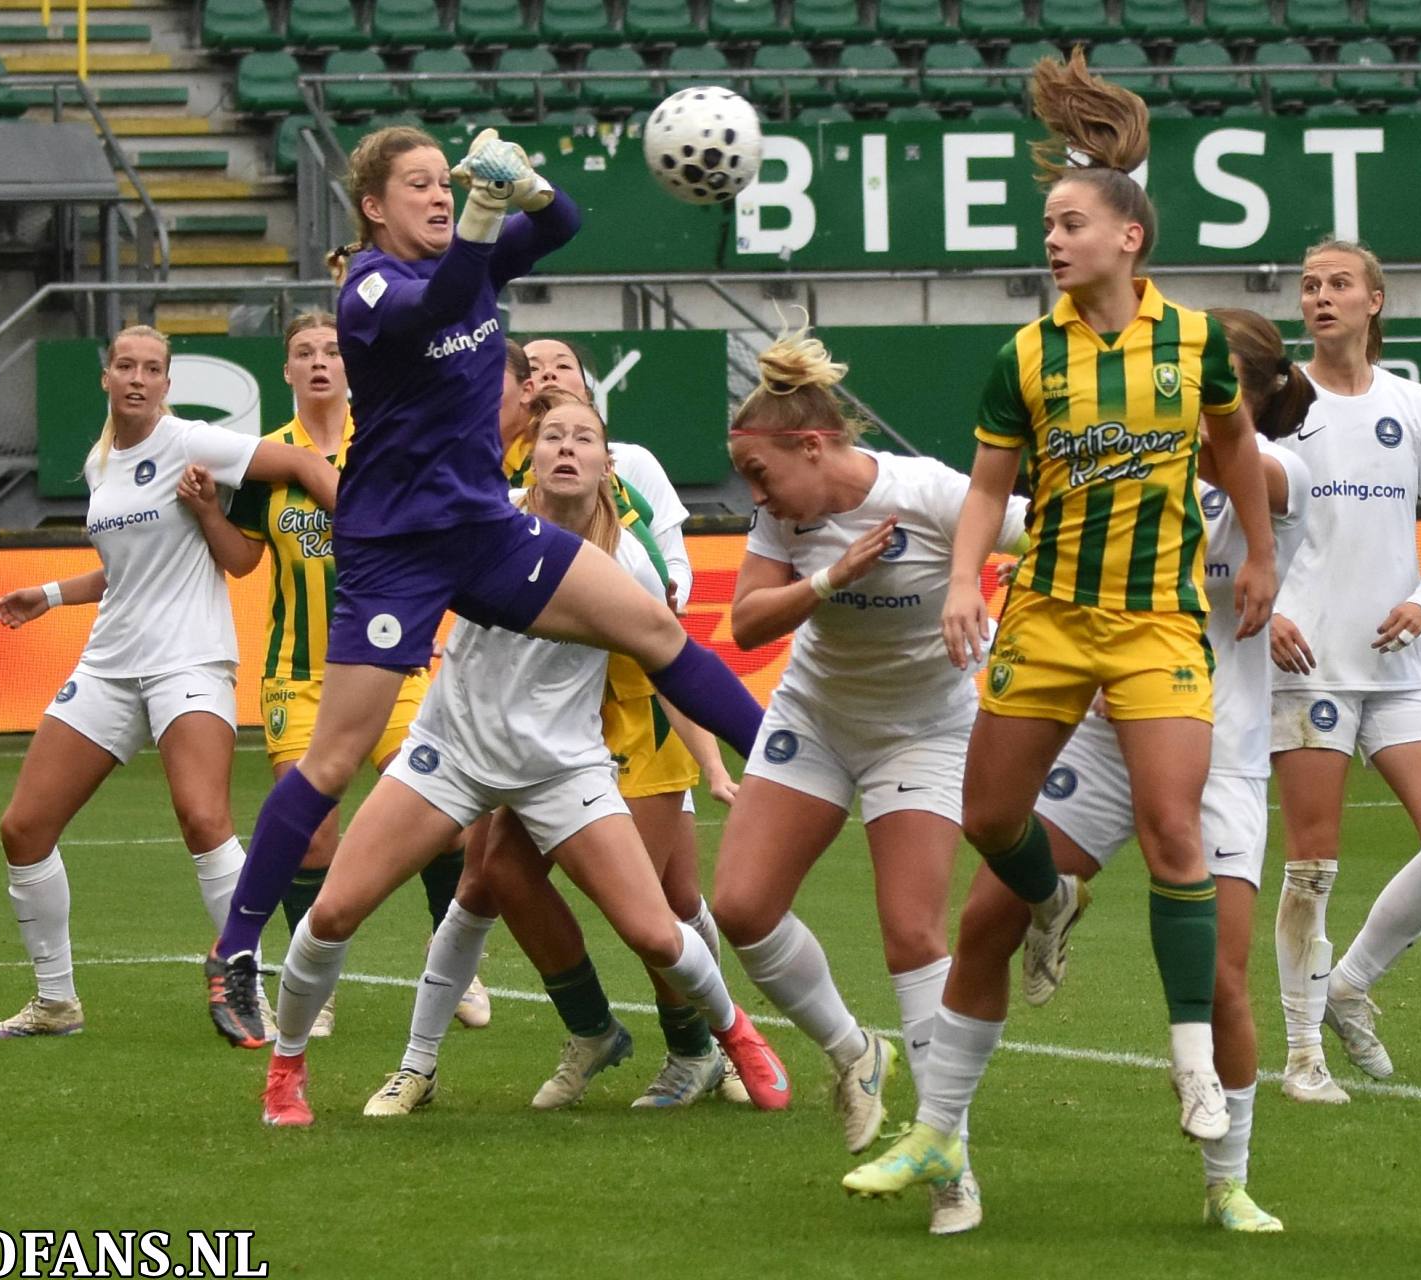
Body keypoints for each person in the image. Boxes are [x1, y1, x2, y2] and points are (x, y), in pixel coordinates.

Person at [204, 124, 764, 1048]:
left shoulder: (464, 258)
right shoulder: (371, 288)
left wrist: (530, 187)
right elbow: (450, 297)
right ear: (373, 208)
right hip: (392, 550)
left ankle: (787, 764)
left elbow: (567, 220)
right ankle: (234, 951)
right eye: (416, 186)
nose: (434, 195)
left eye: (443, 182)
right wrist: (481, 211)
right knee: (334, 760)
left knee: (653, 631)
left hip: (485, 530)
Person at [843, 49, 1278, 1198]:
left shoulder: (1194, 347)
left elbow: (1238, 454)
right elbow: (988, 487)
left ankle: (1195, 1078)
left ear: (1128, 235)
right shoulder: (1026, 356)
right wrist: (961, 579)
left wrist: (1266, 558)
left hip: (1154, 630)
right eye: (1047, 222)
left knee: (1178, 833)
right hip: (1046, 618)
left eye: (1071, 221)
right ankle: (1055, 899)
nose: (1053, 237)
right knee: (988, 820)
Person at [261, 394, 790, 1127]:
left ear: (609, 465)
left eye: (584, 439)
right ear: (531, 456)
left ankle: (735, 1034)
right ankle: (286, 1070)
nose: (567, 448)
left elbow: (677, 668)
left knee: (655, 930)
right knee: (333, 913)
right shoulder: (486, 518)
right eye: (552, 437)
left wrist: (735, 760)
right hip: (450, 752)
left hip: (563, 767)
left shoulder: (628, 562)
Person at [944, 309, 1314, 1234]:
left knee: (1223, 976)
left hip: (1214, 749)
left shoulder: (1280, 477)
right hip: (1105, 742)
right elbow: (1026, 514)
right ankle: (942, 1140)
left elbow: (1236, 461)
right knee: (986, 918)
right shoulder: (1116, 460)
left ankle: (1228, 1180)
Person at [708, 321, 1027, 1236]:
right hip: (815, 717)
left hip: (924, 730)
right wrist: (827, 581)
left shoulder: (926, 491)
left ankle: (949, 1166)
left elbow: (1036, 535)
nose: (753, 493)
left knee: (913, 932)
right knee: (740, 906)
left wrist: (984, 593)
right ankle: (854, 1053)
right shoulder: (788, 516)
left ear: (813, 445)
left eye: (761, 472)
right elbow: (746, 624)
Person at [0, 325, 337, 1040]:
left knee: (204, 819)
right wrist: (47, 595)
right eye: (126, 366)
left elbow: (296, 457)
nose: (138, 378)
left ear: (167, 385)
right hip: (110, 664)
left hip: (189, 660)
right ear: (106, 378)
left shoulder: (188, 443)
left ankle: (247, 986)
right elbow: (126, 570)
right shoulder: (101, 463)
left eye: (152, 369)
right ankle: (56, 1002)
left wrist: (364, 519)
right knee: (23, 829)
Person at [183, 311, 489, 1040]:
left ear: (350, 367)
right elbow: (243, 561)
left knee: (443, 818)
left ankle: (454, 960)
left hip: (391, 666)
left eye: (331, 351)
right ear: (285, 371)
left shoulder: (381, 442)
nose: (319, 362)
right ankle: (311, 984)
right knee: (313, 838)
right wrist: (204, 512)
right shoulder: (264, 458)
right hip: (300, 676)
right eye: (303, 353)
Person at [1270, 238, 1421, 1099]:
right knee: (1313, 864)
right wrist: (1271, 605)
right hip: (1309, 659)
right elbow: (1235, 507)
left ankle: (1347, 985)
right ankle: (1300, 1053)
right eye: (1310, 286)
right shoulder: (1279, 401)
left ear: (1374, 301)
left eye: (1338, 284)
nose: (1321, 297)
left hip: (1400, 659)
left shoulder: (1415, 405)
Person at [509, 342, 744, 1107]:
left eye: (561, 369)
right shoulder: (503, 498)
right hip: (536, 729)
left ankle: (714, 1044)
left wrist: (719, 761)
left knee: (658, 904)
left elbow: (670, 618)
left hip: (635, 718)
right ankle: (428, 1059)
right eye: (532, 371)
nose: (546, 379)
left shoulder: (631, 494)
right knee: (491, 880)